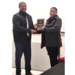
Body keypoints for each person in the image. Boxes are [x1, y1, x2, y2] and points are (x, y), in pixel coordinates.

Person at [12, 2, 37, 75]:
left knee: (28, 57)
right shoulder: (16, 16)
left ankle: (28, 72)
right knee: (18, 58)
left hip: (27, 40)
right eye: (22, 6)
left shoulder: (29, 16)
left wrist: (34, 28)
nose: (24, 7)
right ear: (19, 7)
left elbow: (30, 27)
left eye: (25, 6)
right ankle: (18, 72)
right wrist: (30, 30)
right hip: (19, 41)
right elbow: (17, 28)